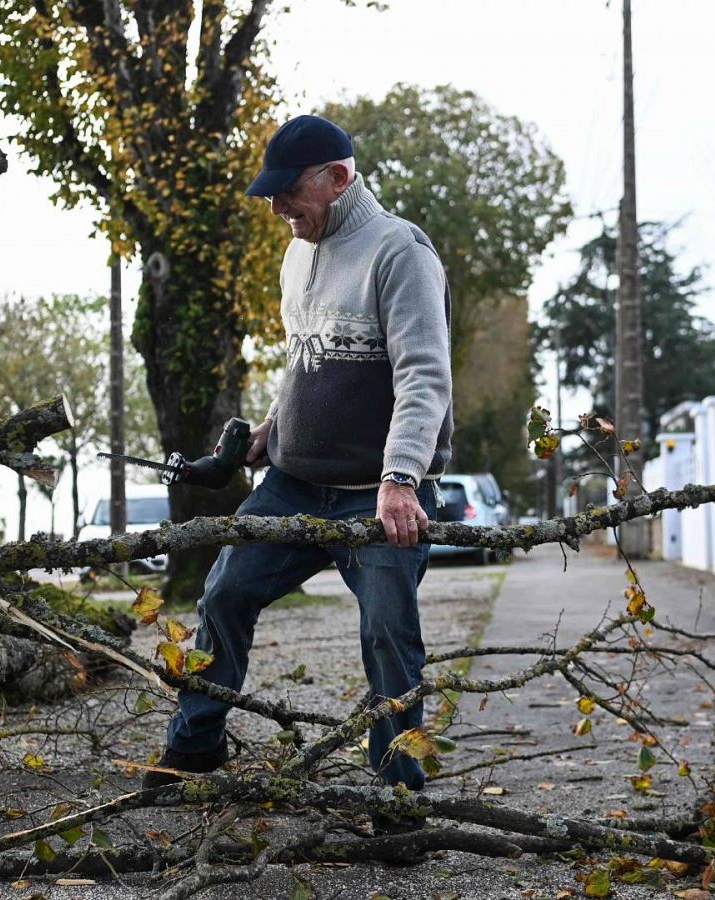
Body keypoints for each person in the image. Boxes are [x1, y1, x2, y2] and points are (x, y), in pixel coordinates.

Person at [143, 114, 454, 831]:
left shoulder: (399, 253)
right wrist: (269, 431)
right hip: (291, 482)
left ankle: (399, 802)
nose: (278, 209)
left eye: (289, 193)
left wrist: (401, 477)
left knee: (388, 634)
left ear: (338, 179)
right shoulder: (298, 253)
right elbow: (307, 361)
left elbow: (423, 379)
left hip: (376, 497)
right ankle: (196, 745)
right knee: (223, 594)